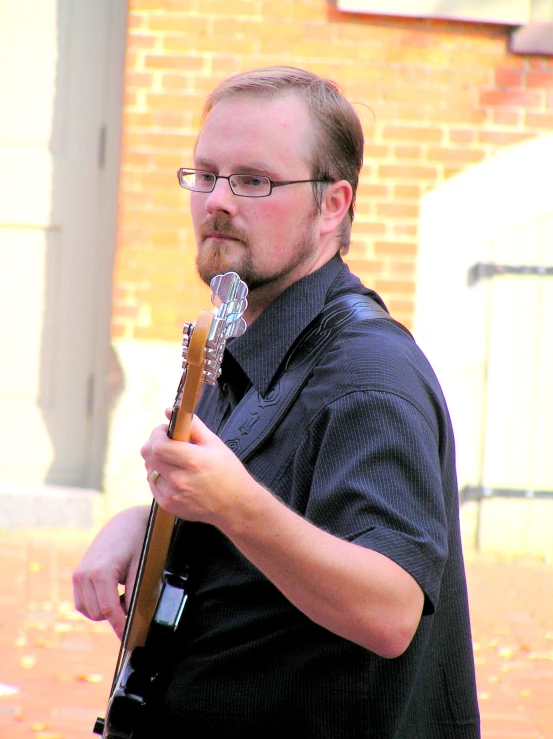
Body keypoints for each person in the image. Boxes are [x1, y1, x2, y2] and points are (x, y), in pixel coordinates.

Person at [73, 66, 480, 738]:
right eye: (204, 174)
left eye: (254, 180)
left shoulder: (367, 374)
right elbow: (254, 520)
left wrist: (234, 504)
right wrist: (140, 524)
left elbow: (389, 610)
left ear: (332, 204)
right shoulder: (239, 336)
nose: (216, 201)